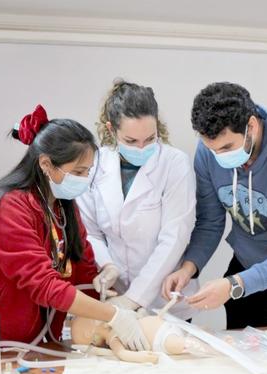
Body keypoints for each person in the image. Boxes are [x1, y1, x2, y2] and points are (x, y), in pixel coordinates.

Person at [0, 105, 148, 350]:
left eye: (88, 172)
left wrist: (106, 287)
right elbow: (42, 283)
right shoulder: (6, 206)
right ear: (46, 164)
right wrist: (113, 316)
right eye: (78, 171)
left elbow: (82, 266)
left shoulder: (63, 207)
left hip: (31, 342)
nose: (84, 179)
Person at [162, 82, 267, 328]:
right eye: (213, 149)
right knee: (237, 343)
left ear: (251, 127)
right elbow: (210, 222)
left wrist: (234, 285)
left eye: (227, 147)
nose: (220, 156)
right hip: (244, 262)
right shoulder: (208, 152)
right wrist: (187, 268)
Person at [77, 80, 197, 319]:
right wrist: (107, 265)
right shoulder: (95, 164)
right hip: (116, 293)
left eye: (150, 139)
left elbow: (174, 238)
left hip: (164, 301)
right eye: (131, 141)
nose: (141, 148)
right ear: (111, 130)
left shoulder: (175, 164)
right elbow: (89, 232)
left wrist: (134, 298)